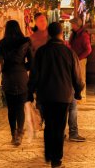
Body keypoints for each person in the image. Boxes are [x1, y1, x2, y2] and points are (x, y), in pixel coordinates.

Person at [29, 22, 83, 168]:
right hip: (63, 95)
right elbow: (77, 75)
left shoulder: (41, 52)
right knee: (59, 127)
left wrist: (30, 92)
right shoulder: (69, 52)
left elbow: (34, 75)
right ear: (61, 34)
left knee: (48, 125)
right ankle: (56, 160)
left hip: (45, 95)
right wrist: (78, 91)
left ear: (49, 34)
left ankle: (49, 154)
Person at [0, 20, 33, 146]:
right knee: (20, 107)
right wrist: (23, 67)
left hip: (8, 77)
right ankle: (20, 134)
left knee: (11, 108)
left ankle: (13, 134)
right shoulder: (26, 42)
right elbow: (32, 62)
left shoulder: (2, 44)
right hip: (21, 76)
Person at [67, 17, 92, 142]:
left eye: (72, 24)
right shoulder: (74, 34)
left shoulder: (83, 35)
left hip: (79, 60)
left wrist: (78, 58)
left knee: (79, 78)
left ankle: (79, 94)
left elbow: (88, 49)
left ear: (77, 25)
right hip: (73, 59)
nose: (71, 26)